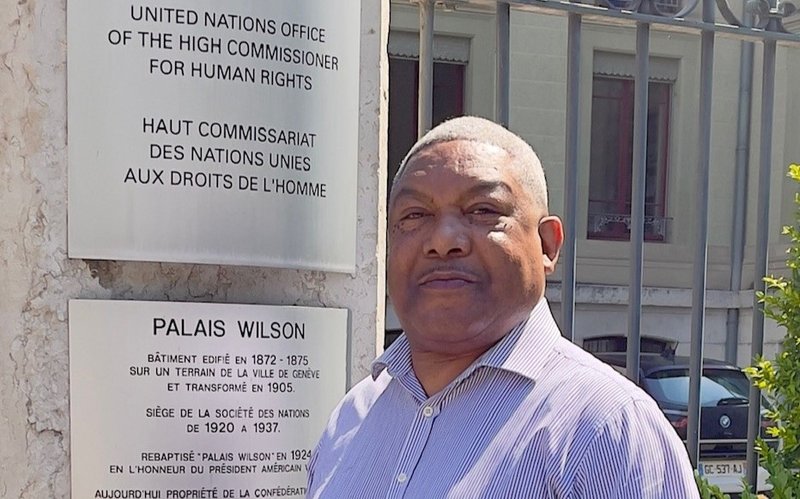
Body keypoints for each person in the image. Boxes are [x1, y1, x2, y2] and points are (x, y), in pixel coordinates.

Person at [307, 116, 699, 498]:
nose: (443, 240)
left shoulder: (605, 430)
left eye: (482, 210)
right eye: (415, 216)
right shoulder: (352, 418)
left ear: (547, 244)